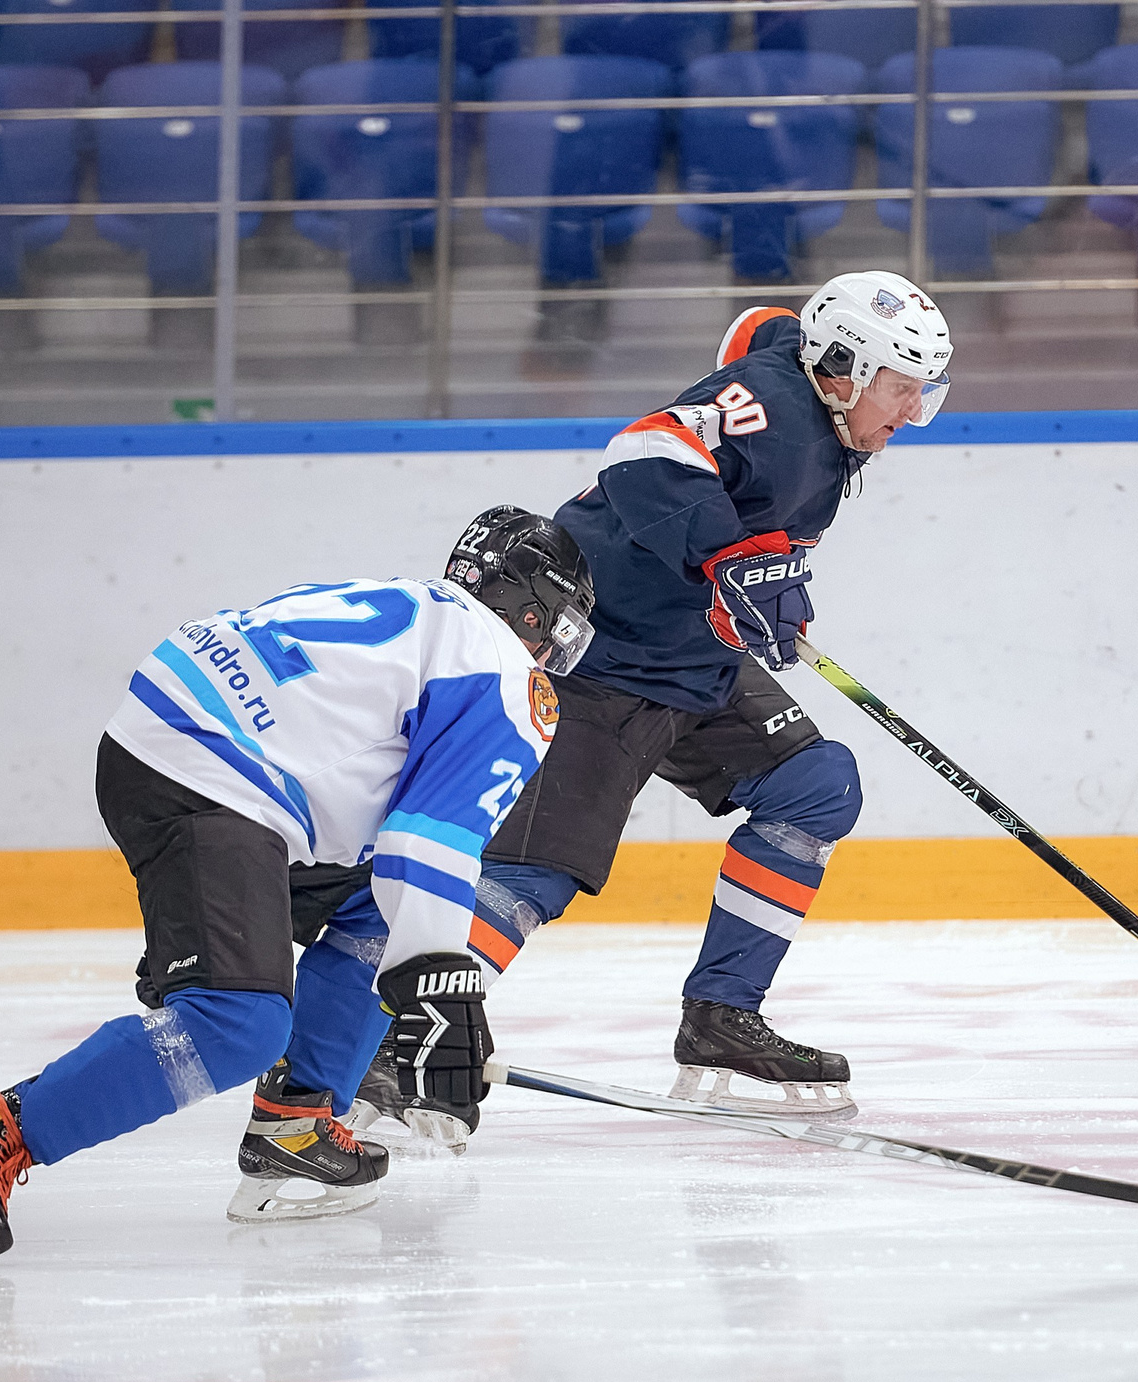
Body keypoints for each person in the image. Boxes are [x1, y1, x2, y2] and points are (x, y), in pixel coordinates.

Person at [0, 509, 596, 1266]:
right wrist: (443, 995)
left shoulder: (411, 604)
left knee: (385, 911)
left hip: (165, 743)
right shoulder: (509, 675)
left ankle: (298, 1125)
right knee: (238, 1025)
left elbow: (383, 831)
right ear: (532, 610)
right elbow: (430, 841)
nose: (554, 650)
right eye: (562, 630)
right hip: (214, 784)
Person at [353, 270, 952, 1130]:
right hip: (603, 660)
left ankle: (719, 1015)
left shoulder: (823, 415)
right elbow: (646, 451)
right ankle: (392, 1039)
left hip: (693, 661)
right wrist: (730, 559)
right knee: (534, 872)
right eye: (901, 390)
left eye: (923, 394)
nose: (910, 412)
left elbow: (757, 344)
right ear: (845, 367)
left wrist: (751, 584)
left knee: (814, 785)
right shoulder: (778, 406)